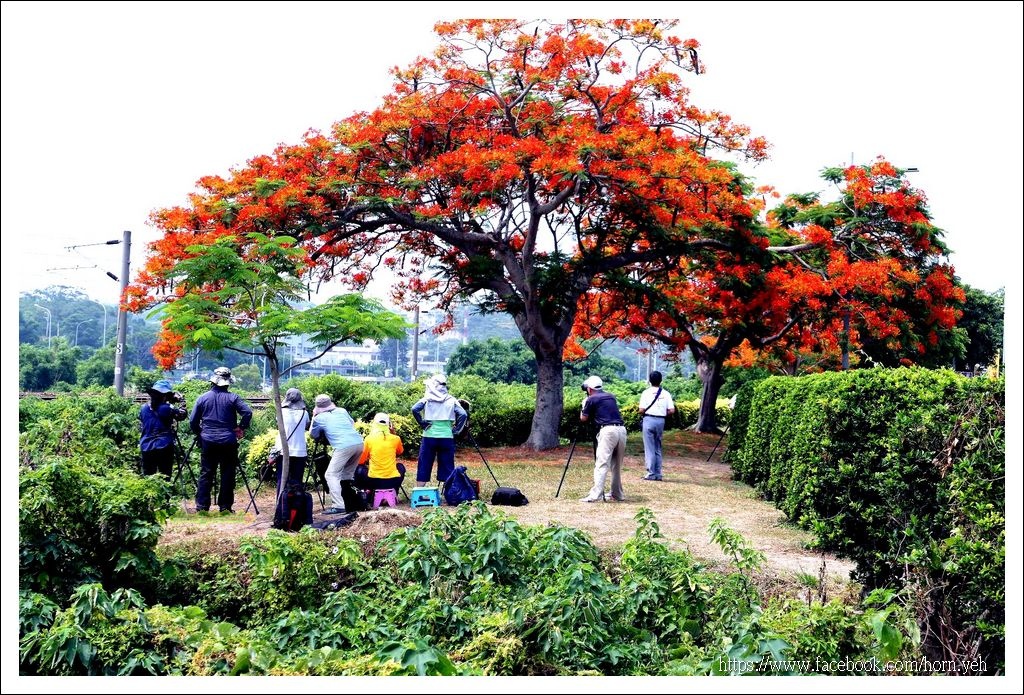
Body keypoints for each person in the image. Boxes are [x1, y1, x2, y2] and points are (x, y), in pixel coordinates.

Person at [189, 366, 253, 514]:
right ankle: (225, 507)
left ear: (213, 382)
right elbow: (247, 412)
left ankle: (202, 507)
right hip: (228, 441)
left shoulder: (203, 398)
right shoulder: (233, 398)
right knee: (228, 473)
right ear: (228, 382)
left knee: (206, 473)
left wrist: (200, 434)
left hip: (208, 440)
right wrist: (240, 427)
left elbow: (193, 422)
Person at [310, 393, 364, 514]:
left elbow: (313, 435)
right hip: (359, 443)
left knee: (331, 475)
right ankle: (350, 502)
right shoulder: (342, 410)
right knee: (347, 475)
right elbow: (351, 424)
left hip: (343, 446)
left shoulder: (319, 418)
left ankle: (339, 505)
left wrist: (314, 416)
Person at [410, 375, 468, 487]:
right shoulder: (451, 399)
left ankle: (419, 491)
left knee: (424, 463)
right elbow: (463, 414)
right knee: (447, 466)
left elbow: (414, 409)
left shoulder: (427, 398)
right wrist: (456, 430)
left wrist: (422, 423)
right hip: (446, 436)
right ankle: (449, 494)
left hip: (429, 436)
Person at [579, 375, 627, 503]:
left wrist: (584, 404)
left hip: (608, 431)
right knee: (616, 465)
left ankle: (595, 495)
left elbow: (584, 419)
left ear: (589, 389)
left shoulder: (591, 399)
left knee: (602, 463)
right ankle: (617, 494)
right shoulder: (611, 396)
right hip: (621, 430)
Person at [139, 379, 187, 478]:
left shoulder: (144, 408)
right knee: (165, 477)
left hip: (146, 445)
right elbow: (182, 415)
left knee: (148, 478)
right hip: (164, 445)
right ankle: (165, 493)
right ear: (165, 395)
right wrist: (182, 401)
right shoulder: (167, 408)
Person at [638, 370, 676, 481]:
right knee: (657, 447)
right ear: (661, 380)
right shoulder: (666, 393)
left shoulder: (646, 393)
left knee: (649, 447)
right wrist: (662, 413)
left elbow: (641, 410)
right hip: (661, 421)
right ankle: (658, 473)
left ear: (650, 380)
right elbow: (672, 410)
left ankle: (650, 473)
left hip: (649, 419)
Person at [355, 412, 406, 492]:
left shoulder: (369, 439)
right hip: (392, 481)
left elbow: (361, 461)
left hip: (374, 482)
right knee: (400, 466)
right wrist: (393, 433)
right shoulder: (396, 439)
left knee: (359, 469)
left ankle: (365, 493)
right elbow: (400, 452)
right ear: (389, 425)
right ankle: (394, 490)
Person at [274, 387, 309, 487]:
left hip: (282, 450)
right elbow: (306, 426)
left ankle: (281, 501)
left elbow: (278, 425)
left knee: (282, 480)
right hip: (300, 451)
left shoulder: (281, 412)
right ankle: (296, 502)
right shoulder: (304, 413)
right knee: (297, 482)